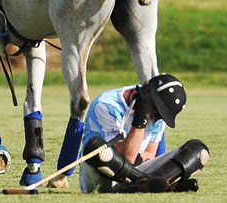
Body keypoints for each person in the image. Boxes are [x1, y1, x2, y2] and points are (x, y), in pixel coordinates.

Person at [79, 73, 210, 193]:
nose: (155, 118)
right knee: (98, 148)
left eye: (160, 115)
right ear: (147, 91)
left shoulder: (158, 111)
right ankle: (162, 185)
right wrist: (140, 120)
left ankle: (147, 184)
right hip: (102, 174)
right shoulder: (106, 105)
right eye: (155, 111)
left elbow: (150, 154)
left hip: (135, 172)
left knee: (198, 150)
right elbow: (124, 157)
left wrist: (139, 161)